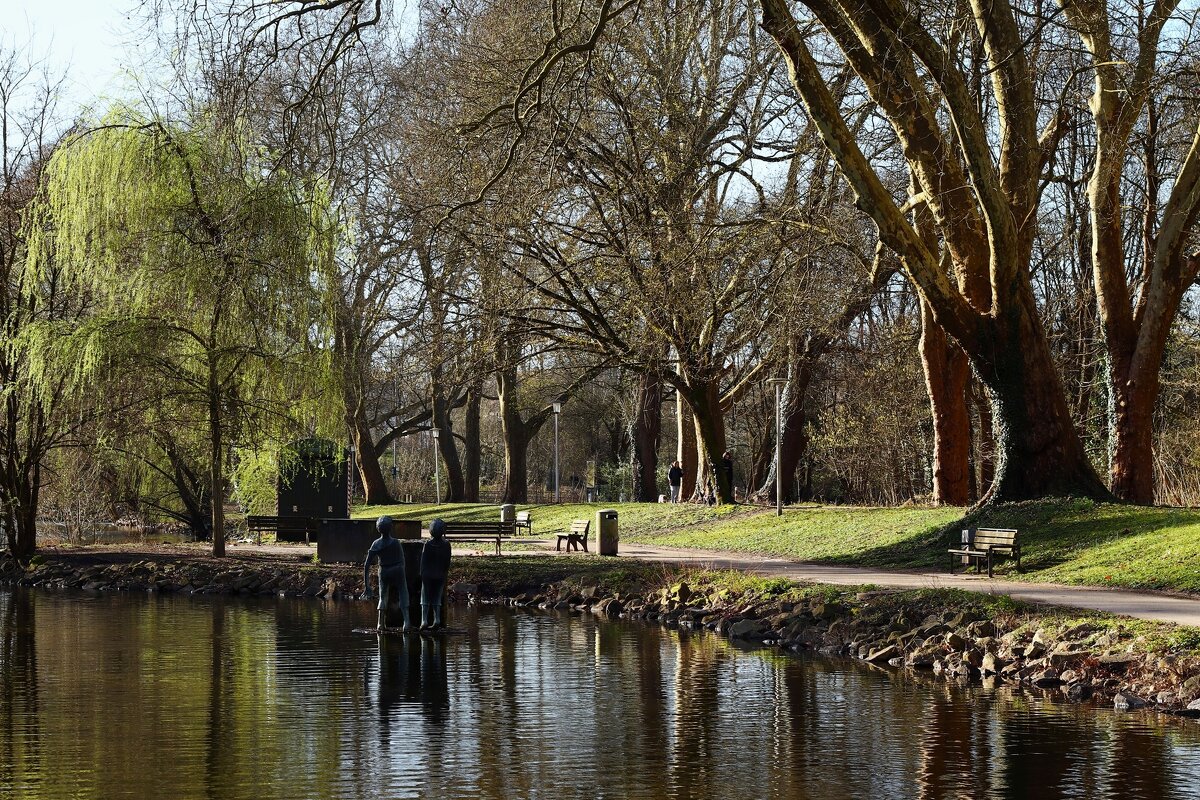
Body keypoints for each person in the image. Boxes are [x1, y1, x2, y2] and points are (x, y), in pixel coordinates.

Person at [364, 515, 412, 631]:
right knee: (403, 592)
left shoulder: (376, 543)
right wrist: (401, 572)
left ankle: (380, 623)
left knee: (383, 595)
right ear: (391, 527)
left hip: (384, 570)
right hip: (397, 569)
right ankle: (406, 622)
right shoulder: (395, 543)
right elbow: (402, 560)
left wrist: (367, 586)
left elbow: (367, 564)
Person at [420, 518, 452, 630]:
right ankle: (437, 619)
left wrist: (422, 573)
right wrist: (444, 573)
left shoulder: (428, 544)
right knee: (437, 598)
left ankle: (424, 620)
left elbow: (423, 561)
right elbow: (447, 561)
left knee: (425, 597)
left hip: (428, 574)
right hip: (440, 575)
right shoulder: (447, 545)